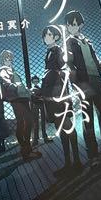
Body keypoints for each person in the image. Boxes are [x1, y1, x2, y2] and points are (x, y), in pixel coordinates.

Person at [63, 11, 101, 166]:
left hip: (96, 79)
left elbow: (95, 60)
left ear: (81, 25)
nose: (72, 27)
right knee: (88, 119)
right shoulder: (68, 42)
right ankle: (93, 156)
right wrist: (78, 85)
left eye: (75, 24)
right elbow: (69, 65)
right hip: (83, 83)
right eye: (69, 24)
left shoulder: (87, 41)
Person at [40, 24, 81, 173]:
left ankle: (76, 162)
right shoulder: (49, 52)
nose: (46, 37)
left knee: (66, 126)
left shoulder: (58, 50)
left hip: (58, 93)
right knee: (61, 127)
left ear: (56, 37)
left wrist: (53, 78)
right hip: (52, 93)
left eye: (49, 34)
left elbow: (64, 69)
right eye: (45, 35)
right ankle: (70, 162)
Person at [0, 49, 39, 161]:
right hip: (17, 99)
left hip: (21, 97)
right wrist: (18, 87)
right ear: (2, 60)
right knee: (25, 122)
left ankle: (27, 149)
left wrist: (26, 91)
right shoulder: (3, 70)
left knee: (25, 122)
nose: (9, 60)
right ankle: (26, 150)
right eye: (6, 58)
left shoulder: (11, 70)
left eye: (10, 58)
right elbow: (7, 83)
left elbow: (16, 85)